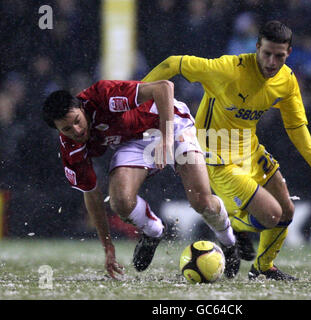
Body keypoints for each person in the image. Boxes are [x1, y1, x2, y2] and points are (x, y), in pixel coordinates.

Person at [142, 20, 311, 280]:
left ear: (289, 54)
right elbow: (173, 63)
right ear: (257, 47)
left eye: (280, 56)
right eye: (267, 54)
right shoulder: (228, 69)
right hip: (216, 158)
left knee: (287, 211)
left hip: (250, 151)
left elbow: (296, 126)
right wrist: (136, 95)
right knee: (271, 215)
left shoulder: (286, 81)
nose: (272, 62)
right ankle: (233, 225)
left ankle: (263, 268)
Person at [42, 79, 237, 280]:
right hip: (132, 141)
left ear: (82, 108)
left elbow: (164, 87)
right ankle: (153, 231)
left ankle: (229, 242)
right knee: (120, 201)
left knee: (202, 201)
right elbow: (91, 194)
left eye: (77, 121)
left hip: (170, 124)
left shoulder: (103, 96)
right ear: (58, 131)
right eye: (67, 129)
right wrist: (107, 246)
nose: (77, 131)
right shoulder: (70, 149)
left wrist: (166, 137)